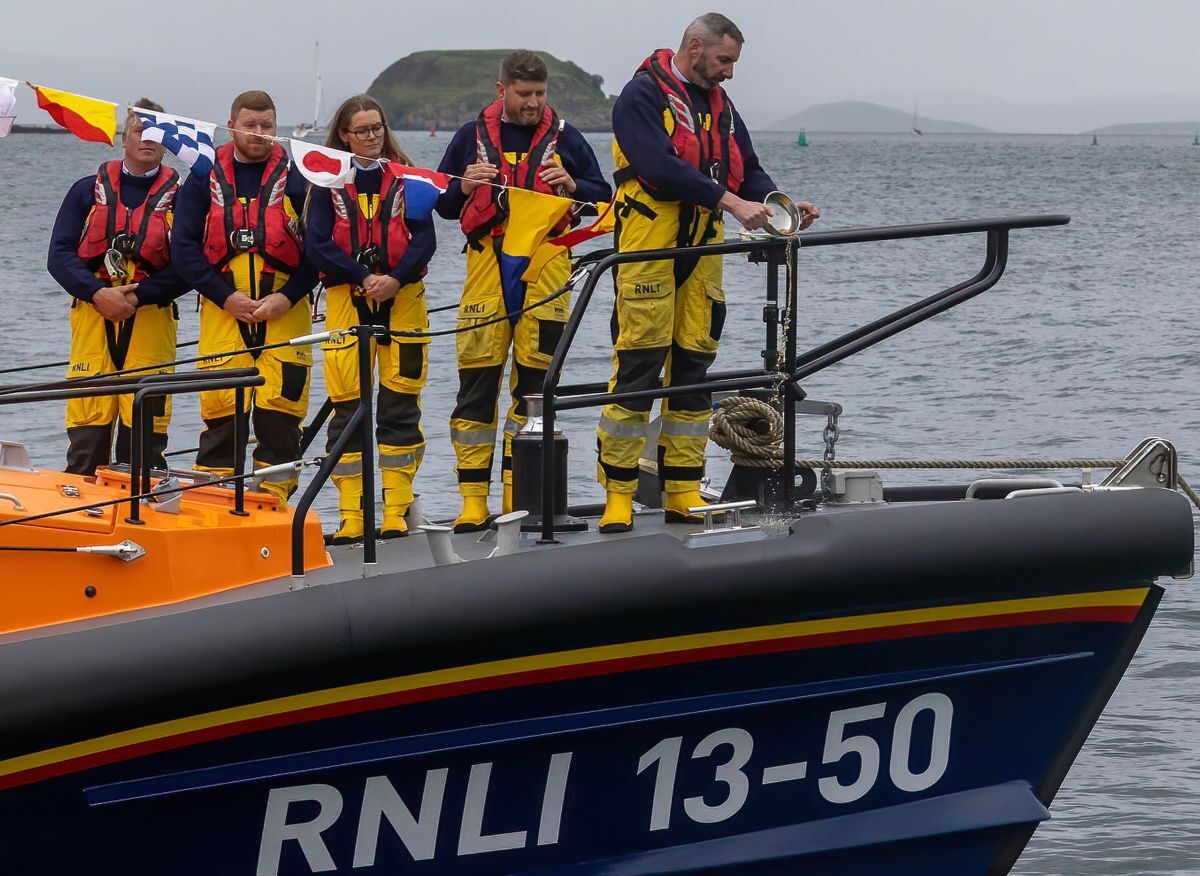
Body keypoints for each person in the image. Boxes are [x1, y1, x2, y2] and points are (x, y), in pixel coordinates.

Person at [597, 13, 819, 532]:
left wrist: (780, 205)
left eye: (734, 63)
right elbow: (657, 166)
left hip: (702, 255)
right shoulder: (640, 97)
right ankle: (618, 494)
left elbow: (748, 166)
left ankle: (682, 490)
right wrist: (729, 202)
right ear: (695, 47)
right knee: (637, 372)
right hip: (648, 251)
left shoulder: (723, 108)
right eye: (725, 61)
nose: (730, 73)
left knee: (694, 372)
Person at [436, 50, 611, 532]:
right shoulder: (468, 139)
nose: (533, 103)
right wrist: (465, 186)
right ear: (502, 91)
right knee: (475, 386)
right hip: (486, 268)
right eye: (524, 94)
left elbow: (601, 196)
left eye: (539, 94)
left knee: (535, 391)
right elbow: (445, 207)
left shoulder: (566, 137)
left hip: (546, 266)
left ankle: (521, 497)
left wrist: (574, 182)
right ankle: (473, 500)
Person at [171, 90, 316, 503]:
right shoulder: (203, 176)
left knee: (281, 417)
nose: (258, 133)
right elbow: (183, 248)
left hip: (285, 311)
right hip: (223, 311)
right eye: (250, 125)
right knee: (220, 417)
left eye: (267, 125)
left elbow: (319, 248)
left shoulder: (299, 177)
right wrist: (224, 296)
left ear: (277, 126)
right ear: (231, 123)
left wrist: (287, 297)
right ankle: (214, 508)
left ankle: (273, 505)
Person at [304, 95, 436, 542]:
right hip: (347, 297)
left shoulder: (409, 177)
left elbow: (424, 239)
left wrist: (394, 279)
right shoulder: (325, 181)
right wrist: (362, 276)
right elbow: (317, 243)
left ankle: (397, 508)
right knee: (348, 406)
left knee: (401, 403)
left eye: (377, 127)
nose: (372, 137)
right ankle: (352, 513)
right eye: (362, 130)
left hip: (404, 299)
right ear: (344, 135)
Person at [48, 98, 189, 476]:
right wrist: (97, 293)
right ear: (123, 138)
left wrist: (138, 296)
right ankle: (79, 518)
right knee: (86, 430)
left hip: (151, 319)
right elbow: (58, 256)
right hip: (92, 317)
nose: (148, 139)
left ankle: (139, 518)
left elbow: (189, 266)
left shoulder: (184, 199)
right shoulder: (83, 192)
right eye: (140, 131)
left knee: (144, 437)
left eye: (158, 133)